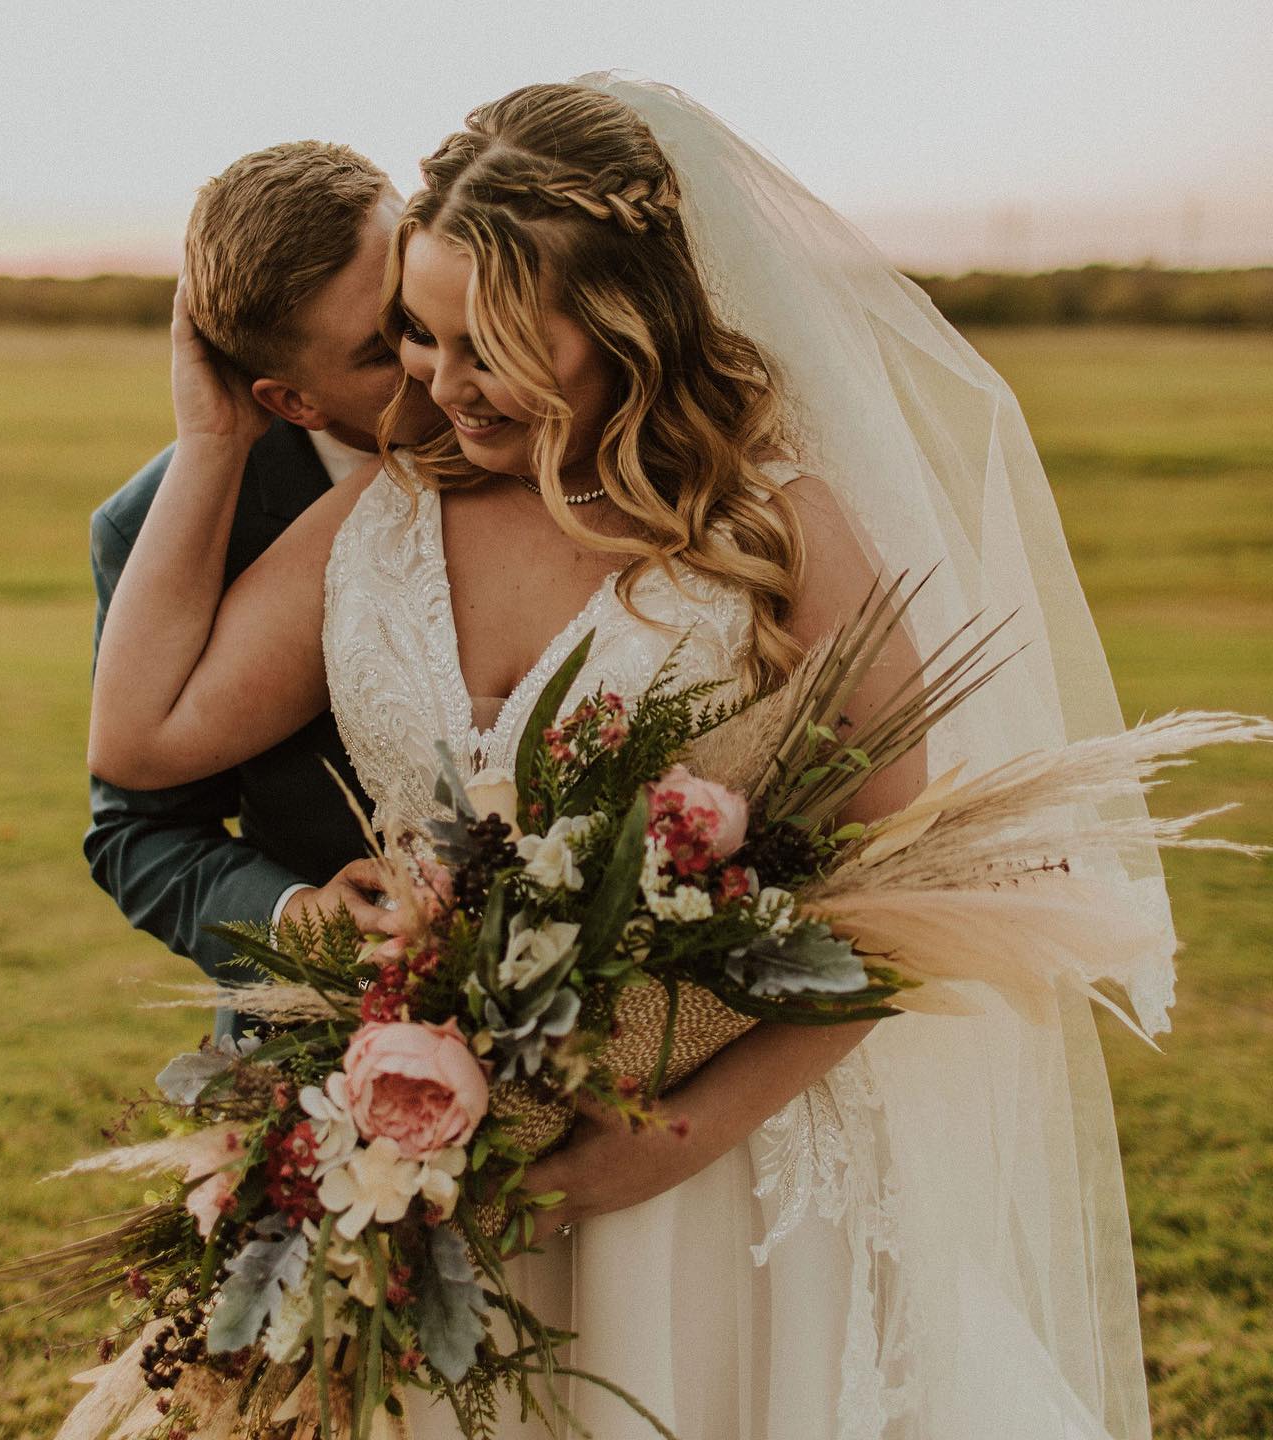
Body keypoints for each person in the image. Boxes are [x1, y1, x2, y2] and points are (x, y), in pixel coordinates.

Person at [87, 78, 1173, 1440]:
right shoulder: (386, 511)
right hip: (448, 1176)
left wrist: (681, 1138)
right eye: (417, 335)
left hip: (727, 1189)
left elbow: (910, 881)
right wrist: (208, 437)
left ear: (620, 324)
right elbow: (141, 739)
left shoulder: (769, 527)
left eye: (487, 346)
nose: (438, 384)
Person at [86, 140, 442, 1035]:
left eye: (416, 294)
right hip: (347, 1037)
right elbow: (139, 833)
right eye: (385, 348)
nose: (436, 350)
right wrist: (297, 920)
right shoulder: (155, 530)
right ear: (293, 402)